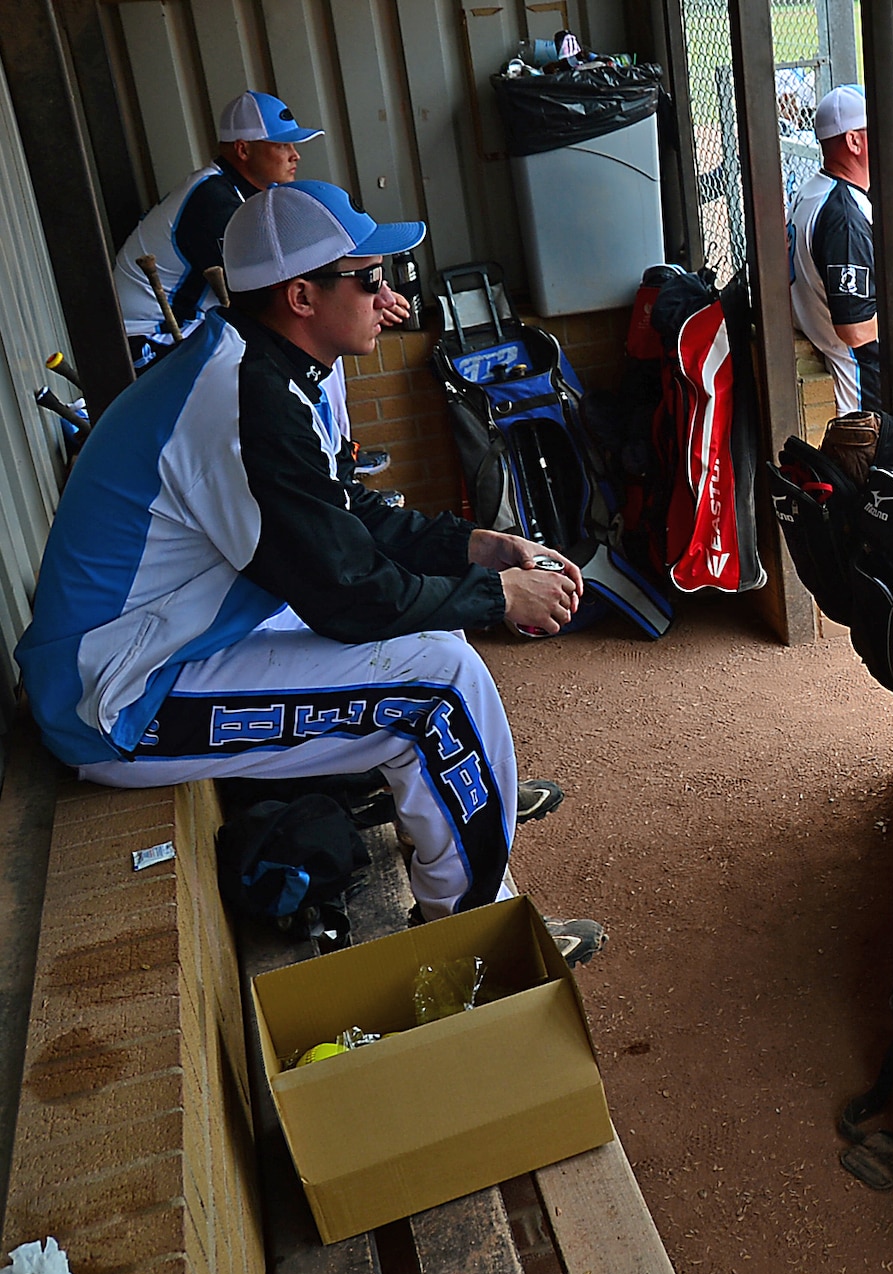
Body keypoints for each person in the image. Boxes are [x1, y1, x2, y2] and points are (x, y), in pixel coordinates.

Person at [15, 180, 606, 965]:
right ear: (301, 295)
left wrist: (480, 548)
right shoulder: (240, 399)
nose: (385, 295)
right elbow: (349, 594)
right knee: (440, 687)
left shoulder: (261, 366)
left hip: (169, 639)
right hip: (116, 693)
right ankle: (473, 949)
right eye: (368, 279)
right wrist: (501, 596)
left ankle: (470, 836)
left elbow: (346, 513)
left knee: (435, 641)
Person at [114, 91, 320, 370]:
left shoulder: (237, 190)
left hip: (180, 331)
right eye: (281, 145)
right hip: (146, 342)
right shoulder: (211, 200)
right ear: (243, 149)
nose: (295, 155)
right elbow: (267, 292)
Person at [788, 84, 880, 415]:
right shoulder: (844, 217)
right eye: (876, 128)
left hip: (827, 352)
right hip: (861, 395)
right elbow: (854, 331)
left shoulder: (812, 190)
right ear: (854, 141)